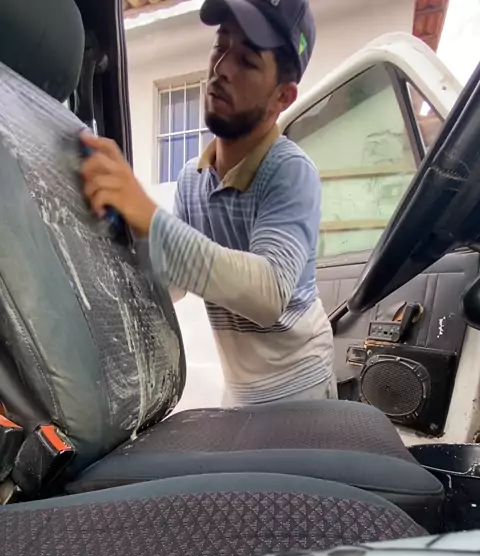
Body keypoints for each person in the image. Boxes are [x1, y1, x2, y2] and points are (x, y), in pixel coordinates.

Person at [80, 0, 335, 406]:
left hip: (300, 385)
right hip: (240, 390)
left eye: (247, 61)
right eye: (221, 45)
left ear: (282, 97)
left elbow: (268, 295)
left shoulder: (290, 171)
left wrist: (150, 217)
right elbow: (176, 285)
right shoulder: (192, 179)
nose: (222, 68)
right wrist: (122, 240)